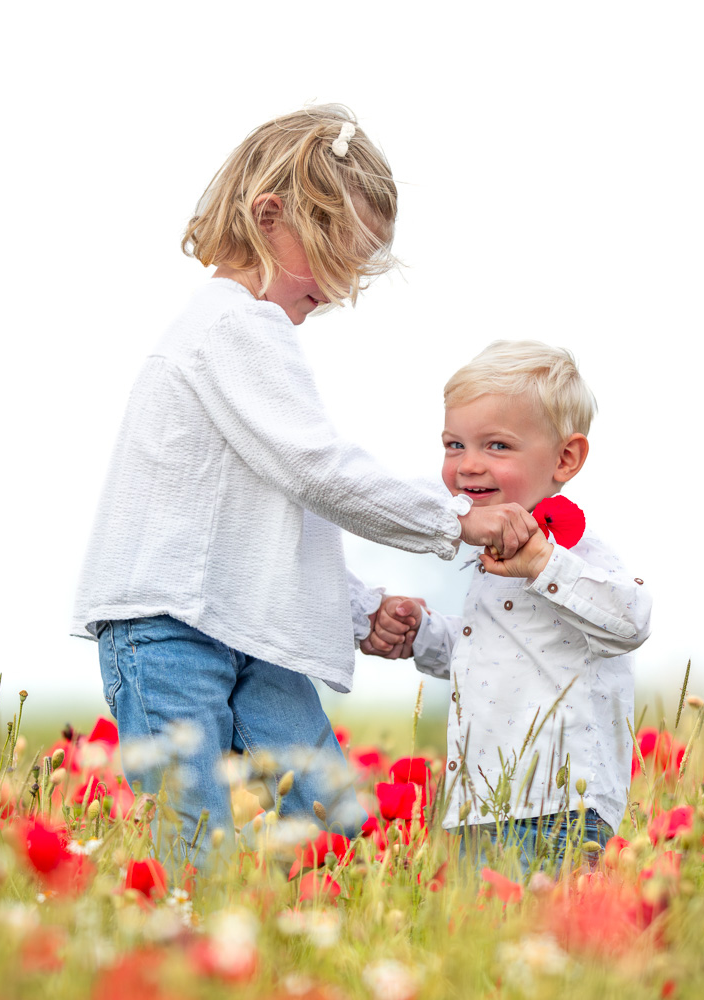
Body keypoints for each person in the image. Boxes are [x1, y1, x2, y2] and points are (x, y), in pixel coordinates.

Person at [70, 106, 537, 856]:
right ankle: (202, 966)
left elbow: (270, 522)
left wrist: (358, 608)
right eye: (333, 256)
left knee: (335, 824)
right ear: (267, 216)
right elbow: (317, 469)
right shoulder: (232, 327)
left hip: (243, 628)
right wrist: (455, 520)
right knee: (199, 844)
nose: (342, 286)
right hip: (167, 634)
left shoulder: (245, 336)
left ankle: (327, 957)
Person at [365, 341, 652, 870]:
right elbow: (492, 651)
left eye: (496, 445)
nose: (468, 465)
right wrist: (421, 633)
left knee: (550, 934)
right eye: (454, 445)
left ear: (565, 458)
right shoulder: (489, 559)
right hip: (483, 802)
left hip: (559, 803)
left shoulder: (575, 554)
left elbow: (631, 621)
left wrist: (543, 564)